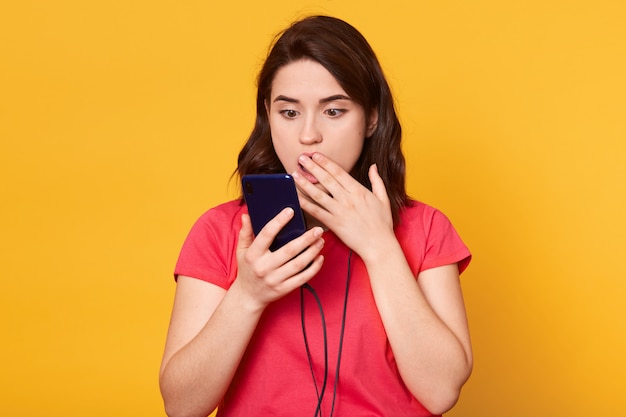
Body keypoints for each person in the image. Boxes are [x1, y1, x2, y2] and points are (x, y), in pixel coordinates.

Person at [159, 15, 473, 417]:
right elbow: (181, 407)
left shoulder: (426, 228)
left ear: (371, 118)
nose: (309, 135)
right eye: (289, 113)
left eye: (334, 111)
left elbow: (441, 391)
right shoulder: (223, 231)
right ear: (268, 117)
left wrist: (380, 248)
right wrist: (247, 295)